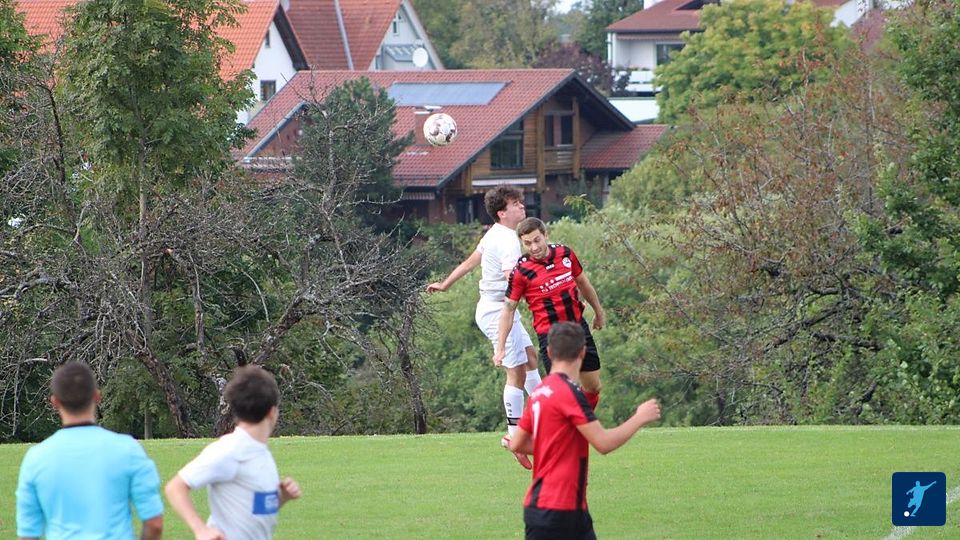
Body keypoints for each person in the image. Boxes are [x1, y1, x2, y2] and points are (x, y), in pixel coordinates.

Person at [509, 322, 661, 540]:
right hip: (561, 508)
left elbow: (517, 444)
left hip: (546, 506)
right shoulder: (570, 393)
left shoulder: (539, 392)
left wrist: (556, 447)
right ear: (582, 352)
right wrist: (639, 418)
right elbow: (603, 443)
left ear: (549, 352)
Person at [426, 185, 542, 469]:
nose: (522, 206)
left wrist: (445, 284)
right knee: (515, 372)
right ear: (502, 213)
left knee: (530, 357)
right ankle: (514, 437)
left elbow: (469, 263)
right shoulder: (507, 240)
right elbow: (513, 278)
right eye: (515, 204)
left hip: (499, 309)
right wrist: (544, 293)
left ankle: (546, 416)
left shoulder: (494, 233)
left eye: (521, 202)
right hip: (497, 311)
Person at [16, 362, 164, 540]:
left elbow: (28, 535)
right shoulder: (128, 450)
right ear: (97, 396)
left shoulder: (36, 458)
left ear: (55, 402)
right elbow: (154, 523)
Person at [165, 365, 301, 540]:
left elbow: (252, 511)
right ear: (272, 413)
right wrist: (201, 530)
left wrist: (281, 498)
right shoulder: (229, 451)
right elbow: (175, 487)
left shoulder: (259, 452)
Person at [494, 217, 605, 409]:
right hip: (551, 335)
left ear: (546, 235)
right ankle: (570, 424)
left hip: (578, 328)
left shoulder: (565, 254)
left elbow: (583, 283)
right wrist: (500, 348)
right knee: (562, 393)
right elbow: (508, 309)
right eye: (527, 243)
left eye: (537, 240)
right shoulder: (521, 271)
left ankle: (579, 421)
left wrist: (598, 312)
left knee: (593, 387)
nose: (534, 247)